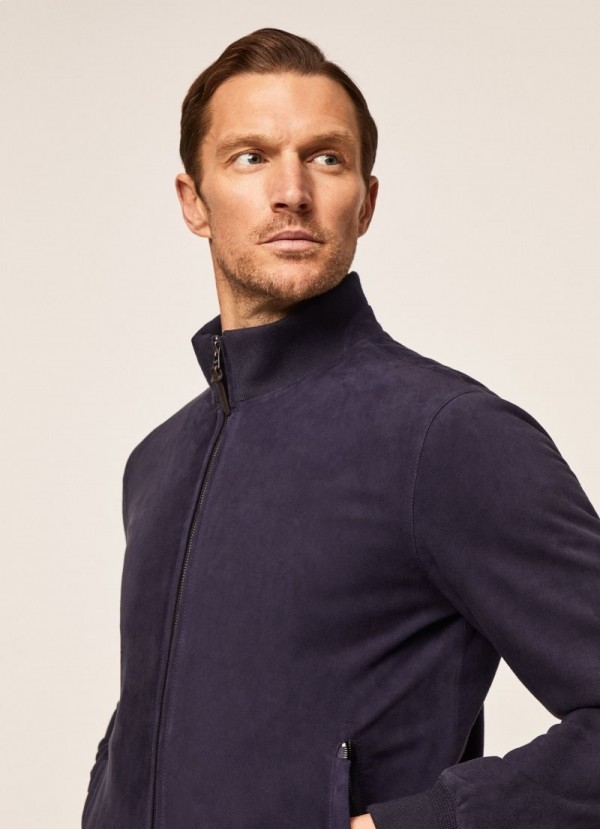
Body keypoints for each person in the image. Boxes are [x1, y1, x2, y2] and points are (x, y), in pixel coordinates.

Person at [82, 27, 600, 829]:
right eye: (251, 157)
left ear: (366, 199)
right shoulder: (156, 463)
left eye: (326, 158)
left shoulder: (446, 437)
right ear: (193, 201)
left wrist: (420, 823)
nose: (291, 191)